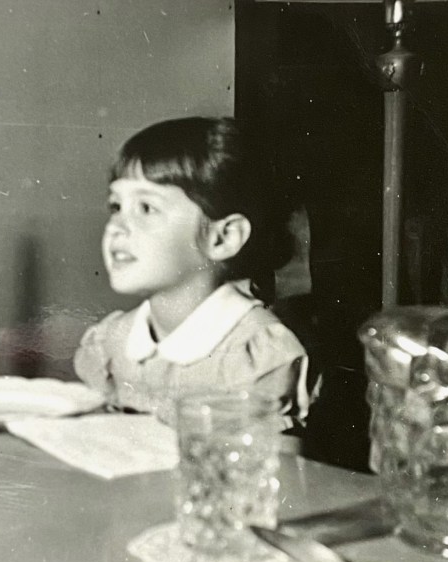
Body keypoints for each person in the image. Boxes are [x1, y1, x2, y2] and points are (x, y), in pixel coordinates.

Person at [73, 117, 309, 427]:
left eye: (146, 208)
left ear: (222, 238)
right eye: (116, 207)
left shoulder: (254, 356)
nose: (116, 227)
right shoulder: (111, 341)